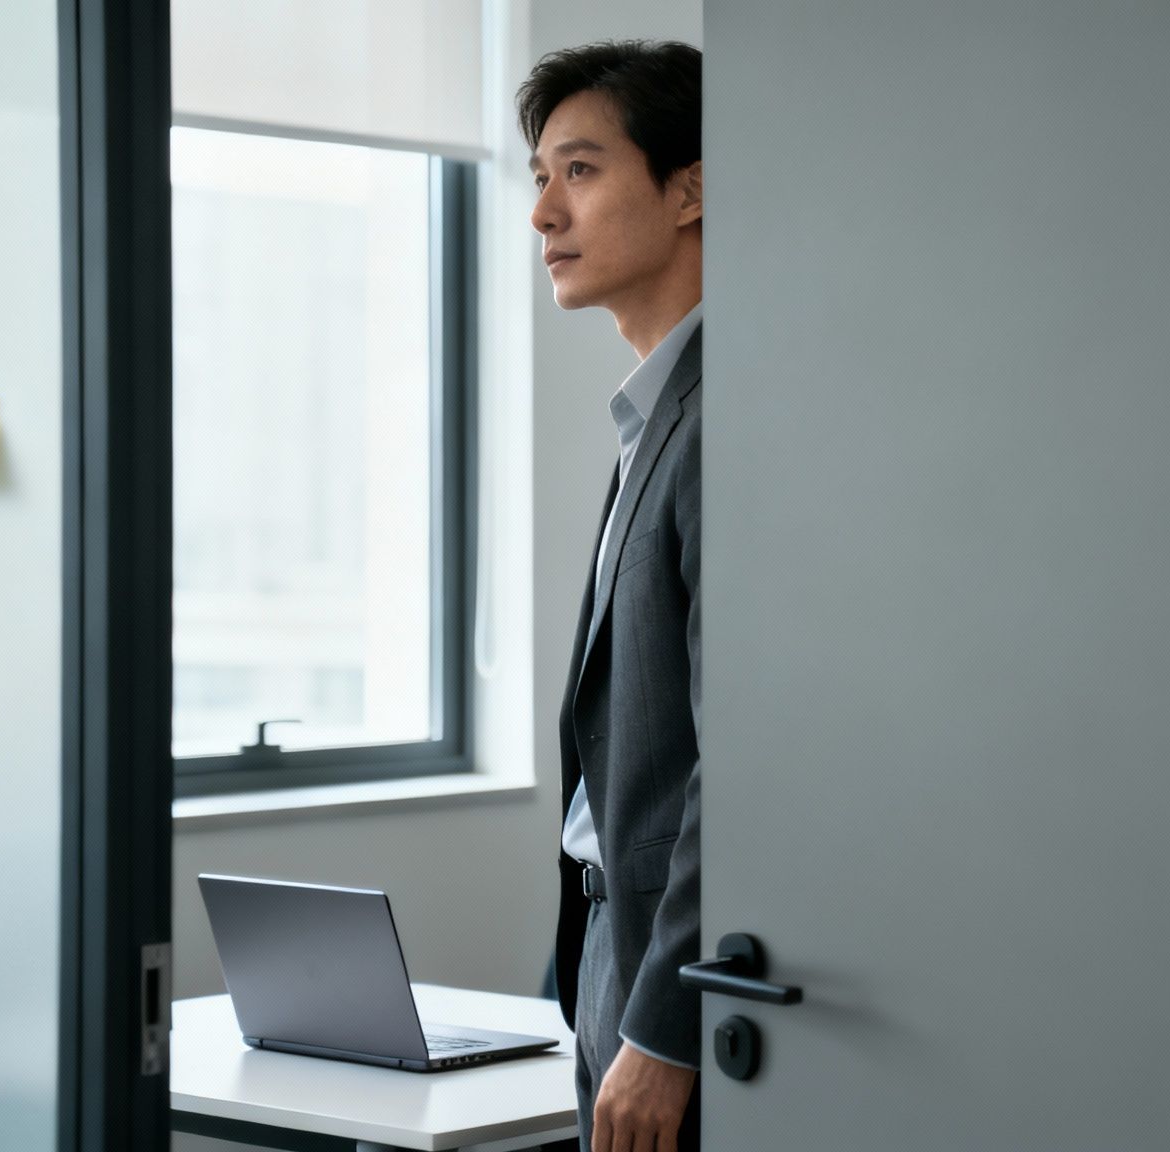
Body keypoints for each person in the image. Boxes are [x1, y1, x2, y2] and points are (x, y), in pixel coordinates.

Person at [518, 39, 706, 1152]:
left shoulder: (726, 417)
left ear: (689, 189)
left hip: (670, 988)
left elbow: (740, 761)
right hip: (609, 951)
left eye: (579, 171)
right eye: (538, 176)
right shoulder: (654, 413)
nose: (543, 213)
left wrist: (664, 1032)